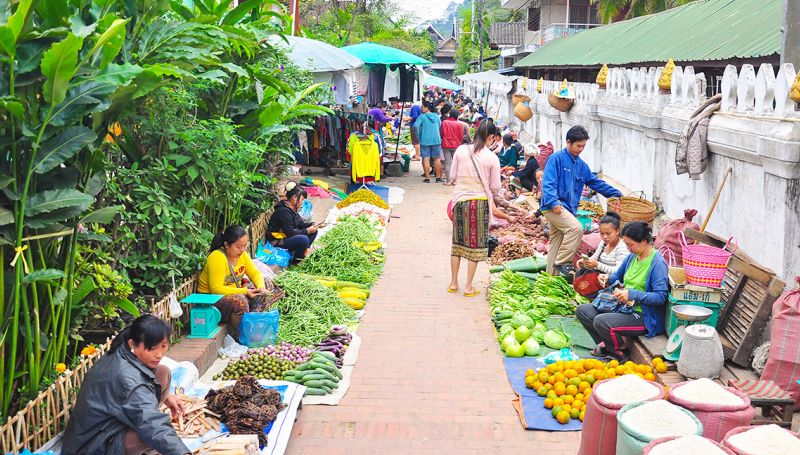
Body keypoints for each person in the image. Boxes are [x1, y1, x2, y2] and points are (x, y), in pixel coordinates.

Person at [62, 315, 191, 455]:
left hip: (111, 421)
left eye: (164, 346)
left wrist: (167, 397)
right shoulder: (129, 379)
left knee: (162, 372)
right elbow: (152, 423)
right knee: (147, 435)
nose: (159, 354)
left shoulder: (124, 348)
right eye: (152, 348)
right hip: (92, 445)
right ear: (132, 344)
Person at [575, 222, 669, 361]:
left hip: (642, 314)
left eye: (631, 245)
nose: (628, 248)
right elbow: (617, 276)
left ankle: (619, 353)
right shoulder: (633, 256)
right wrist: (606, 278)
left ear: (643, 242)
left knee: (601, 322)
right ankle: (607, 345)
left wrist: (633, 294)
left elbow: (660, 297)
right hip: (623, 307)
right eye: (626, 244)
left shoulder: (657, 263)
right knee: (583, 311)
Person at [541, 125, 622, 276]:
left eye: (583, 146)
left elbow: (596, 183)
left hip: (569, 210)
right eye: (578, 145)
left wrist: (616, 194)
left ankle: (549, 279)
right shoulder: (556, 159)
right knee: (576, 228)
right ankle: (561, 263)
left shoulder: (581, 166)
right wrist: (553, 201)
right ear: (568, 142)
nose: (580, 149)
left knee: (556, 245)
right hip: (552, 207)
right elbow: (548, 183)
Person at [448, 120, 502, 297]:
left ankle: (453, 283)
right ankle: (468, 286)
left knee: (457, 242)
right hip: (479, 203)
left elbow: (452, 176)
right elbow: (495, 187)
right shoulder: (492, 157)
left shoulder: (461, 150)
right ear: (491, 137)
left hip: (460, 201)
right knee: (476, 245)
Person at [198, 225, 270, 341]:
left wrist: (260, 287)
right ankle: (241, 336)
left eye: (244, 246)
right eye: (238, 247)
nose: (242, 250)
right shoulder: (217, 258)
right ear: (227, 245)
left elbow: (255, 274)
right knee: (240, 301)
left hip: (233, 292)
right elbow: (216, 289)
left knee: (262, 287)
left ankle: (253, 327)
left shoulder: (243, 256)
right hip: (212, 301)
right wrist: (245, 291)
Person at [266, 183, 319, 263]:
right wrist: (307, 230)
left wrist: (312, 224)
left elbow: (301, 224)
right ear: (294, 198)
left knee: (314, 231)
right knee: (304, 239)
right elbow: (290, 232)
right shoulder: (283, 211)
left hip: (287, 236)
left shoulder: (292, 208)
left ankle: (300, 252)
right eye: (302, 199)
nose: (303, 202)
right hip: (278, 241)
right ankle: (296, 261)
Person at [415, 100, 444, 183]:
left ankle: (427, 178)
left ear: (426, 108)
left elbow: (416, 126)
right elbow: (440, 126)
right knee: (437, 159)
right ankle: (438, 177)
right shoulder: (436, 116)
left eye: (422, 107)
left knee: (426, 158)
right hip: (436, 139)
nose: (421, 108)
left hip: (425, 140)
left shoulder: (422, 117)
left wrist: (419, 135)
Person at [441, 109, 466, 186]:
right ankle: (455, 181)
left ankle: (448, 181)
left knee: (447, 163)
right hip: (456, 145)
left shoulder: (444, 122)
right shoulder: (459, 124)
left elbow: (441, 133)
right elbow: (461, 135)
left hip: (446, 144)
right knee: (457, 163)